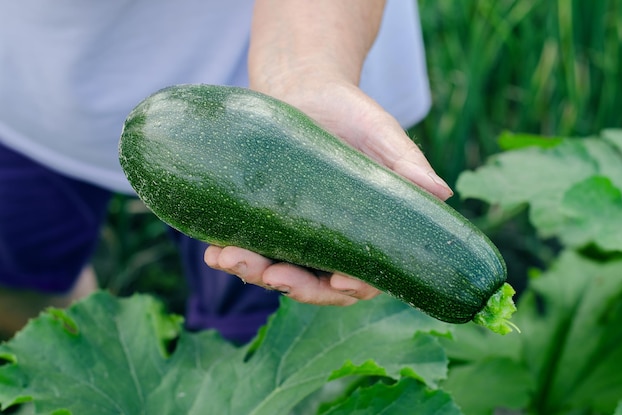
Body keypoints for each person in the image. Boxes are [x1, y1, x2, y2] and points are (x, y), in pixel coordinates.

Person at [0, 0, 452, 343]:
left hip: (266, 106)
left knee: (251, 338)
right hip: (21, 94)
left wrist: (302, 77)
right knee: (20, 279)